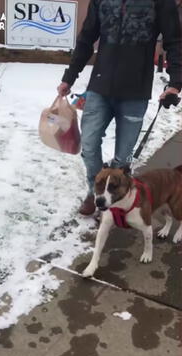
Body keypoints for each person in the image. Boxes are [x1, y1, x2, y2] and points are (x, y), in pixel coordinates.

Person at [57, 0, 181, 215]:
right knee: (89, 145)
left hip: (135, 92)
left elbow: (175, 42)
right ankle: (96, 193)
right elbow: (86, 38)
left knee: (122, 159)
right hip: (99, 87)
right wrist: (69, 77)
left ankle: (116, 197)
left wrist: (175, 84)